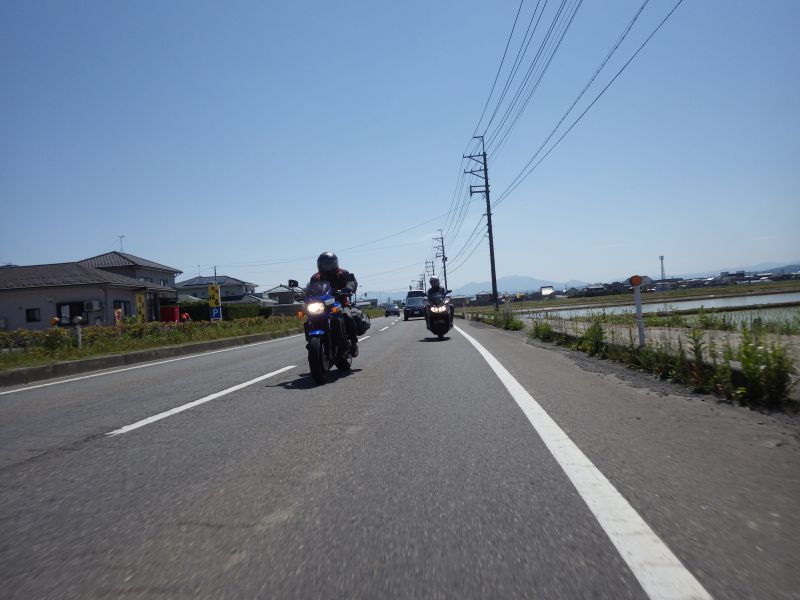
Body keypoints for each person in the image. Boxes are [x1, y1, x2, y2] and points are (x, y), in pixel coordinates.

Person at [309, 251, 360, 356]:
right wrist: (303, 293)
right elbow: (310, 289)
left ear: (335, 264)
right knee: (309, 318)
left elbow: (351, 282)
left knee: (347, 316)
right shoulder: (315, 277)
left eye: (329, 264)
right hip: (323, 305)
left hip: (340, 303)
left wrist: (349, 288)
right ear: (319, 265)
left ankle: (353, 343)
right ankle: (313, 342)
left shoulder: (343, 274)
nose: (327, 267)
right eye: (324, 264)